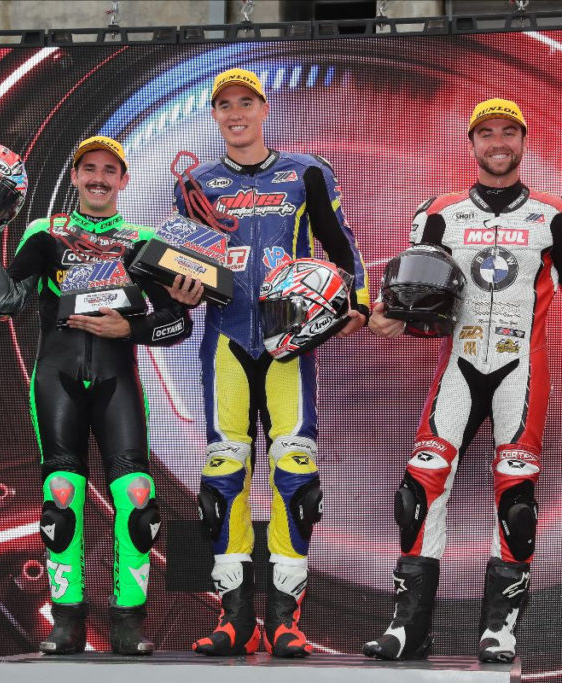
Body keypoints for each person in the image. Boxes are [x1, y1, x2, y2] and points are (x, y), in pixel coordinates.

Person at [362, 99, 562, 663]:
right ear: (471, 143)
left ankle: (500, 630)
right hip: (459, 364)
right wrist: (389, 317)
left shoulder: (556, 213)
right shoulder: (439, 212)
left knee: (516, 499)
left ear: (523, 141)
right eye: (486, 133)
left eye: (508, 132)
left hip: (522, 368)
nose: (498, 142)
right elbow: (409, 293)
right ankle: (409, 627)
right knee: (416, 490)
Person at [0, 135, 202, 655]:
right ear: (75, 177)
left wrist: (131, 331)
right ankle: (66, 621)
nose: (99, 178)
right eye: (89, 169)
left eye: (109, 170)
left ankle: (128, 622)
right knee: (62, 497)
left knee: (138, 500)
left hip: (118, 382)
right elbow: (3, 302)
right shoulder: (44, 232)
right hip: (56, 381)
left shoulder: (146, 242)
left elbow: (179, 323)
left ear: (124, 180)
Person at [173, 68, 370, 658]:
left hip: (290, 345)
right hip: (225, 343)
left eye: (246, 102)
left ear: (264, 108)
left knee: (296, 474)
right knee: (222, 475)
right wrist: (176, 290)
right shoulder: (197, 184)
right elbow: (180, 266)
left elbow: (341, 243)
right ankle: (234, 619)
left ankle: (285, 620)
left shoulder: (306, 171)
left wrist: (356, 302)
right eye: (225, 105)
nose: (236, 113)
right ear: (214, 115)